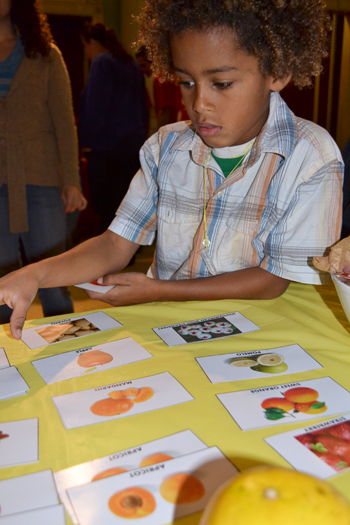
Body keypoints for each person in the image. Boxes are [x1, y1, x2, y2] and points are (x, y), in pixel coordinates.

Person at [0, 0, 344, 339]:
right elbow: (114, 245)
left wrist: (159, 290)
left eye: (221, 84)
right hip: (169, 331)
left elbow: (272, 281)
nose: (198, 104)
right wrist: (36, 274)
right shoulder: (166, 147)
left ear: (277, 72)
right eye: (186, 82)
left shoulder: (310, 155)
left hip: (258, 335)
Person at [0, 0, 87, 324]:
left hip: (41, 179)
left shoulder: (46, 55)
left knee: (53, 283)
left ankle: (68, 359)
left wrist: (71, 180)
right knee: (1, 286)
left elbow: (64, 123)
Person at [79, 23, 148, 232]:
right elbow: (143, 107)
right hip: (131, 147)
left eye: (84, 46)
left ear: (92, 42)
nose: (85, 52)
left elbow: (95, 106)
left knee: (106, 205)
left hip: (106, 149)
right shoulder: (131, 65)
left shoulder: (102, 62)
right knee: (125, 202)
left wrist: (87, 141)